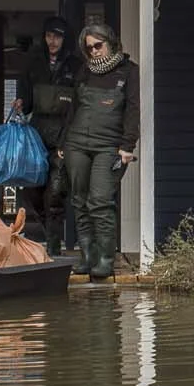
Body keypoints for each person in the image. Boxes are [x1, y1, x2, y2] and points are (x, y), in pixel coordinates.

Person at [62, 22, 140, 281]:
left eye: (98, 45)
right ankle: (87, 257)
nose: (94, 51)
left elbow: (133, 110)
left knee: (100, 201)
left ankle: (106, 259)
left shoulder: (129, 72)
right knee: (79, 201)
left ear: (111, 43)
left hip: (108, 145)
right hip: (76, 144)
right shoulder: (84, 72)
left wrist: (128, 146)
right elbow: (73, 109)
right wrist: (64, 143)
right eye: (89, 48)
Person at [14, 15, 80, 256]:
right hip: (37, 136)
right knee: (31, 188)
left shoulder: (75, 66)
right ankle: (50, 233)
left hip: (64, 137)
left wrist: (69, 139)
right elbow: (27, 104)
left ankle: (53, 246)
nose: (53, 41)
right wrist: (21, 103)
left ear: (65, 39)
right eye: (49, 36)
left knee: (56, 192)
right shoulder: (33, 64)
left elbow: (80, 107)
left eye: (58, 36)